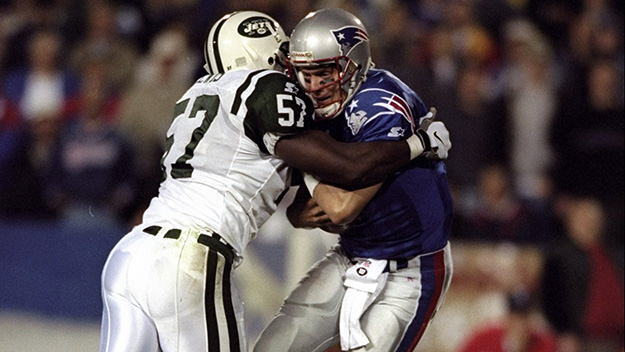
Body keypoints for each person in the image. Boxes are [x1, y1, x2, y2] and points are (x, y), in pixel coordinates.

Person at [99, 10, 450, 352]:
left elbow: (308, 202)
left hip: (132, 253)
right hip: (189, 257)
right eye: (297, 67)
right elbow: (341, 185)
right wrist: (419, 143)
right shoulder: (269, 92)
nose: (307, 82)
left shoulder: (200, 92)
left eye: (320, 71)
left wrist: (311, 195)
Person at [254, 8, 454, 352]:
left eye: (323, 73)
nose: (314, 87)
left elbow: (341, 208)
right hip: (351, 255)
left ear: (353, 63)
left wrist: (294, 149)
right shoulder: (307, 103)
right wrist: (300, 210)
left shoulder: (379, 105)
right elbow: (303, 208)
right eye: (305, 74)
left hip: (409, 269)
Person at [457, 289, 557, 352]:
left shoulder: (545, 343)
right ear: (507, 318)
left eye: (524, 318)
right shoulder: (484, 338)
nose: (520, 324)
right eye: (516, 318)